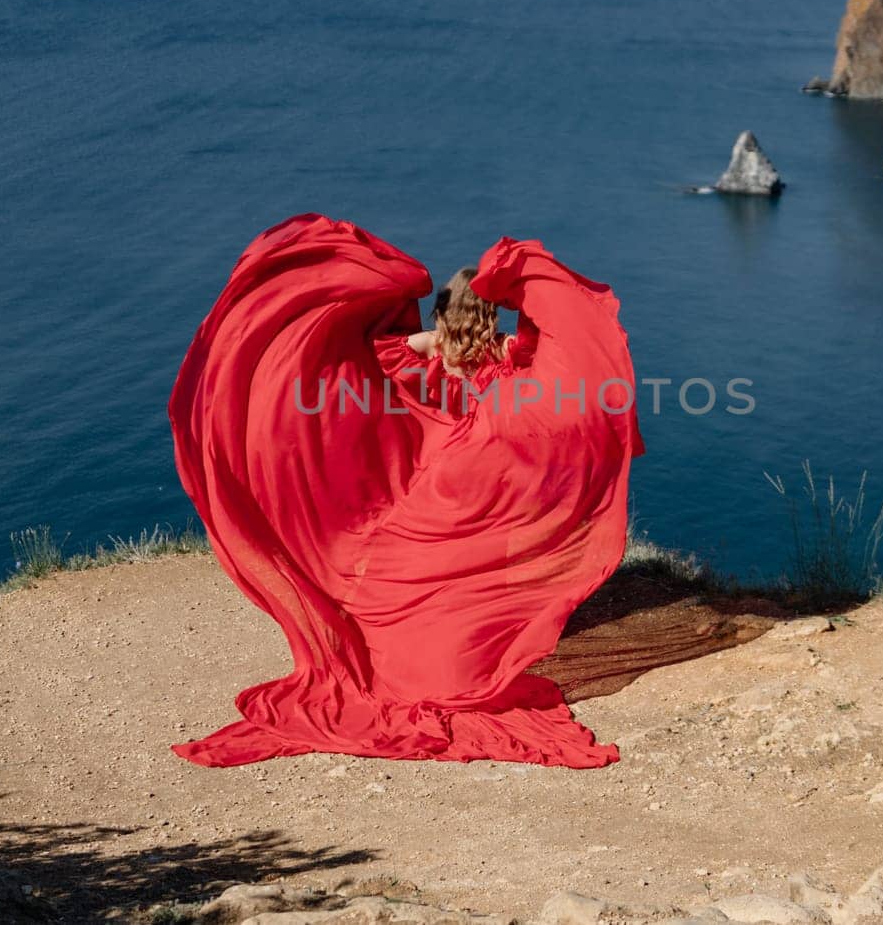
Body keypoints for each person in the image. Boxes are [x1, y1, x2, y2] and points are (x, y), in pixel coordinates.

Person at [169, 214, 642, 768]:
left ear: (447, 310)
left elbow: (372, 358)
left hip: (441, 471)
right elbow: (562, 359)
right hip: (481, 469)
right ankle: (477, 637)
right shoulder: (507, 350)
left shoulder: (430, 344)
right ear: (490, 312)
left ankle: (425, 643)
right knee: (476, 563)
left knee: (425, 565)